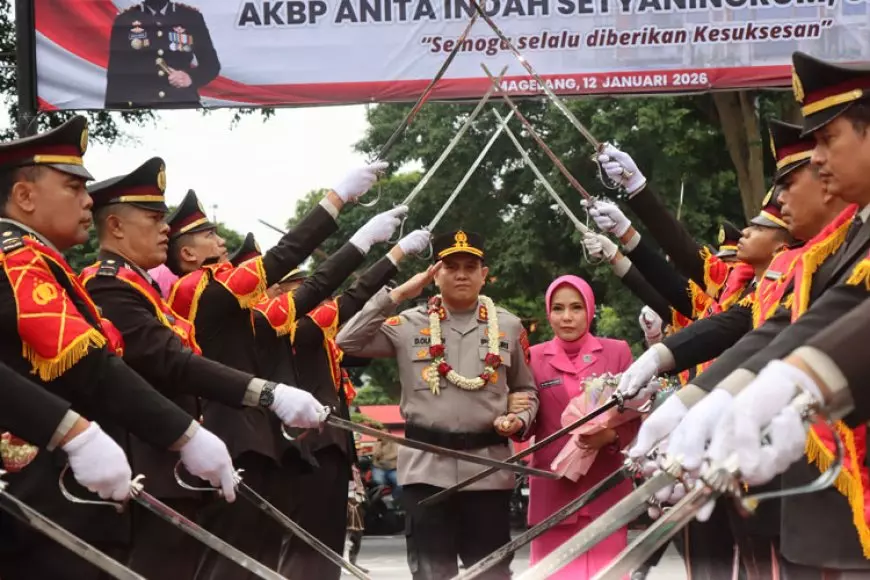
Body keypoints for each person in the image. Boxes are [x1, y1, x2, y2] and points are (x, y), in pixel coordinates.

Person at [636, 51, 870, 578]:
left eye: (828, 140)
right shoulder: (836, 249)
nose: (818, 161)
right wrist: (703, 396)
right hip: (818, 510)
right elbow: (792, 326)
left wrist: (796, 382)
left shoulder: (821, 253)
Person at [0, 116, 235, 580]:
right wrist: (183, 434)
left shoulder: (45, 260)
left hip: (67, 492)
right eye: (72, 187)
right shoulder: (18, 259)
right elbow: (89, 366)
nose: (88, 199)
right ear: (25, 196)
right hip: (39, 496)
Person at [80, 157, 326, 578]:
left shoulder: (141, 287)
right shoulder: (107, 283)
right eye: (154, 217)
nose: (165, 228)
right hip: (144, 468)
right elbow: (171, 363)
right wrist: (268, 393)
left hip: (171, 469)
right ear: (116, 226)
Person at [336, 230, 539, 580]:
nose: (461, 274)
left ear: (484, 274)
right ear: (436, 272)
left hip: (487, 472)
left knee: (491, 573)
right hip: (425, 473)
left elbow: (527, 391)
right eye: (451, 266)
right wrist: (399, 294)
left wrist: (519, 419)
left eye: (470, 266)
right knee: (431, 573)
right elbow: (346, 341)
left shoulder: (508, 325)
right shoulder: (407, 324)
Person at [524, 275, 638, 578]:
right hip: (553, 488)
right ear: (548, 312)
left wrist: (610, 435)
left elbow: (637, 416)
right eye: (558, 308)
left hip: (607, 487)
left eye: (576, 307)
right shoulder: (532, 357)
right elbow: (525, 418)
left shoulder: (617, 352)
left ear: (590, 310)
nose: (567, 317)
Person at [105, 0, 220, 109]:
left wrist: (190, 77)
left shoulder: (191, 17)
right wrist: (115, 112)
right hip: (141, 107)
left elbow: (211, 65)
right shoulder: (125, 20)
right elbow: (116, 77)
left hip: (182, 104)